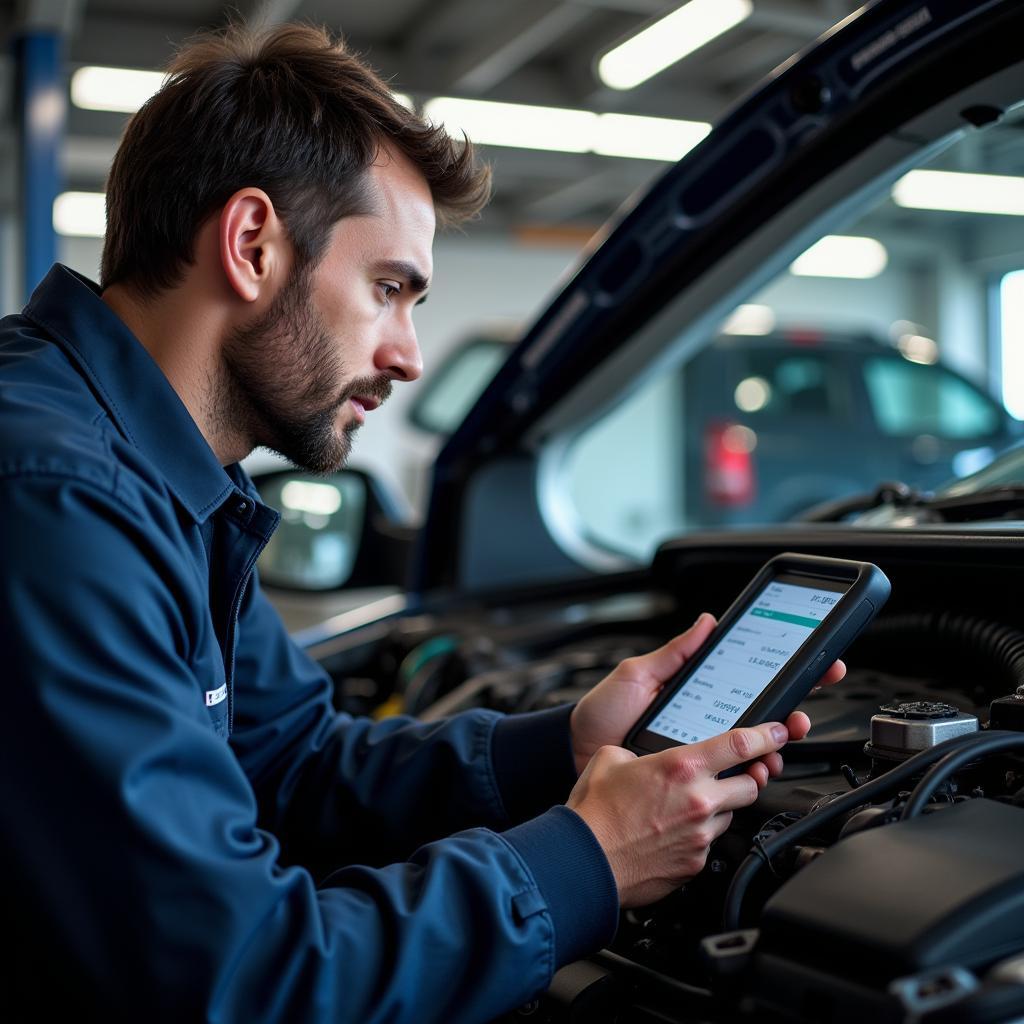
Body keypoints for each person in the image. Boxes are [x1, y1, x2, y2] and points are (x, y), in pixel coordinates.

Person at [0, 22, 844, 1023]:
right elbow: (237, 978)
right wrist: (592, 857)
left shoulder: (156, 475)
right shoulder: (56, 493)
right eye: (389, 289)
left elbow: (292, 763)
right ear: (252, 244)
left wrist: (565, 749)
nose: (407, 355)